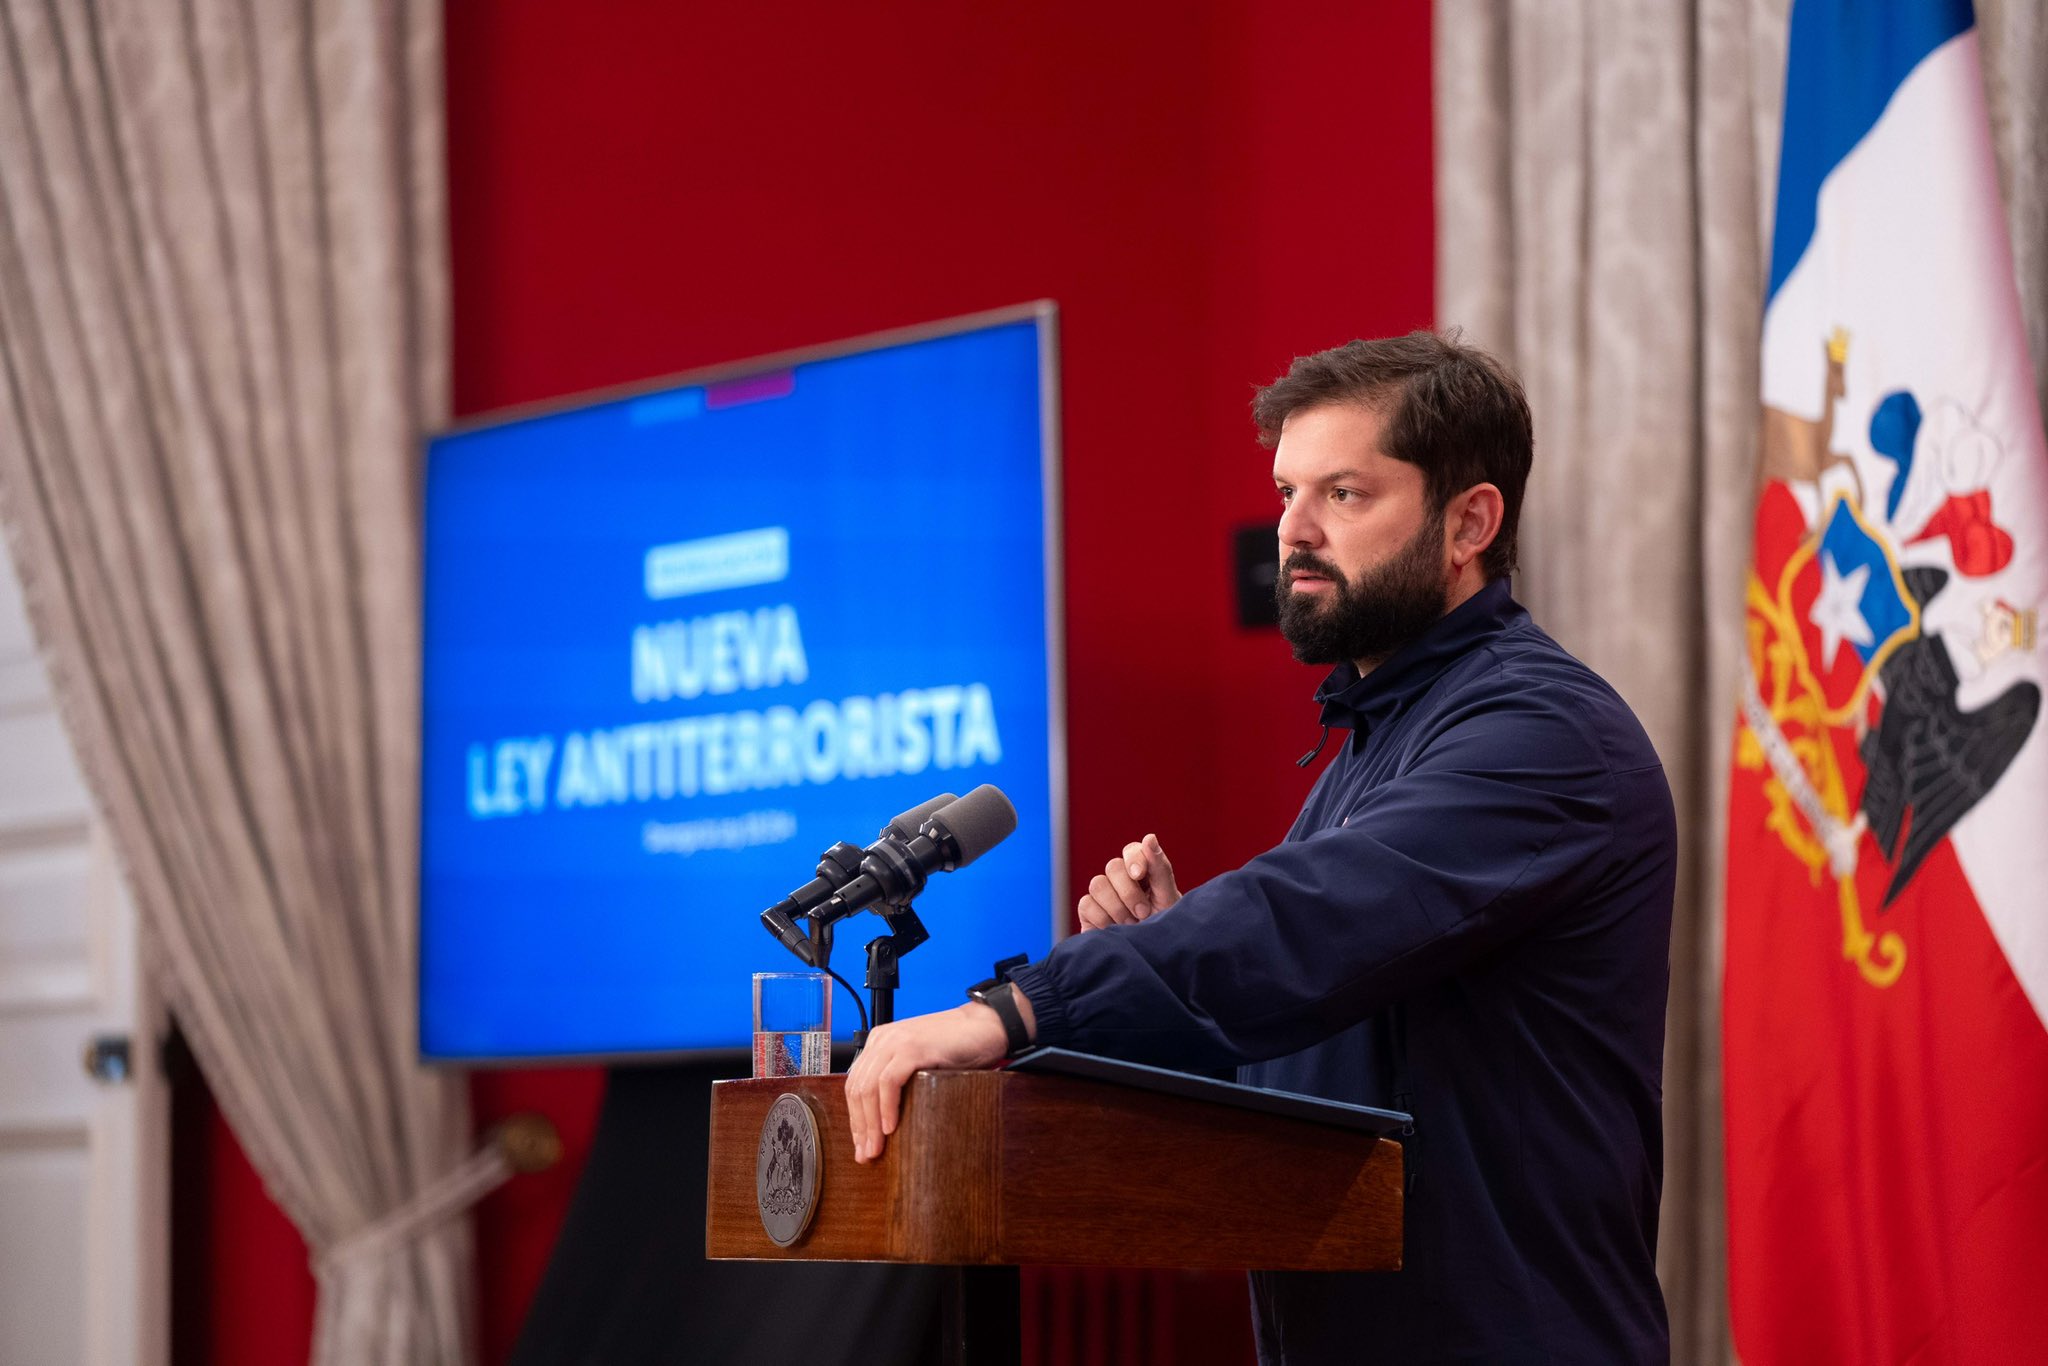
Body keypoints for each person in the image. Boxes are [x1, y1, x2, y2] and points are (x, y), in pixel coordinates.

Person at [844, 331, 1676, 1364]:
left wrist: (1015, 1010)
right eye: (1286, 492)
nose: (1292, 530)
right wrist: (1177, 975)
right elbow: (1331, 1017)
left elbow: (1309, 923)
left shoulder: (1545, 733)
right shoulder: (1371, 741)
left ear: (1469, 522)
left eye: (1343, 494)